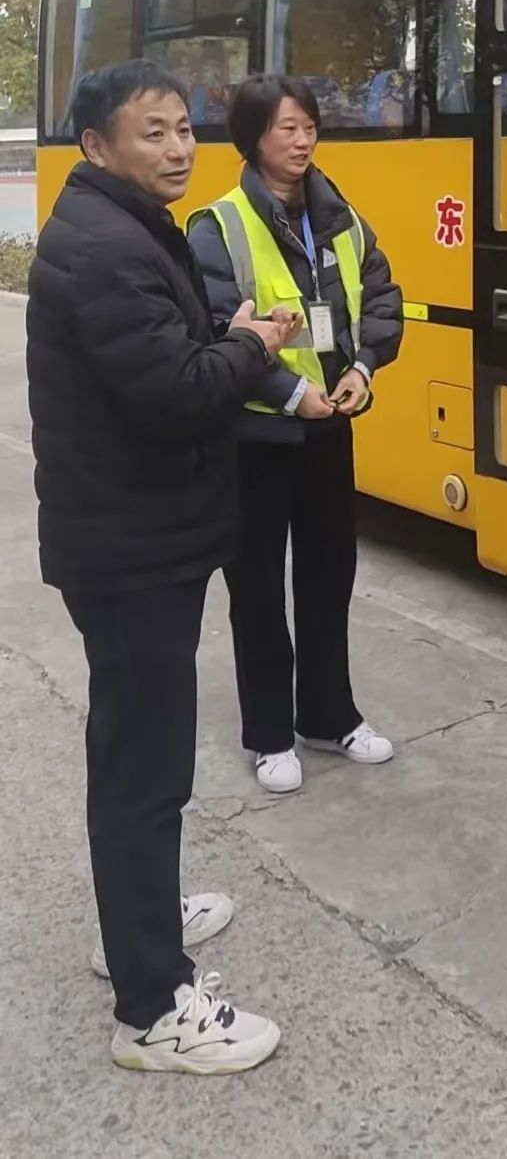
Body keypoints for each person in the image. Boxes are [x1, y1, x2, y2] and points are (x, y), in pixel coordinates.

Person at [27, 60, 302, 1072]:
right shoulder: (106, 248)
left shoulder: (123, 226)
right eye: (153, 131)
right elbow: (177, 394)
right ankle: (153, 1006)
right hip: (133, 545)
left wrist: (217, 340)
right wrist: (248, 341)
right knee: (143, 764)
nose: (179, 147)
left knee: (140, 754)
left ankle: (132, 915)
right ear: (97, 145)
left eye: (185, 127)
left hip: (140, 536)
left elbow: (165, 361)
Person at [188, 75, 403, 795]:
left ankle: (327, 714)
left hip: (329, 426)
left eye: (309, 124)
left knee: (327, 573)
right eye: (286, 127)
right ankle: (270, 733)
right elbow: (217, 327)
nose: (303, 138)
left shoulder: (341, 216)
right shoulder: (216, 226)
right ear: (252, 139)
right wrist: (288, 392)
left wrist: (366, 367)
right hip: (256, 435)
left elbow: (379, 294)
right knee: (255, 585)